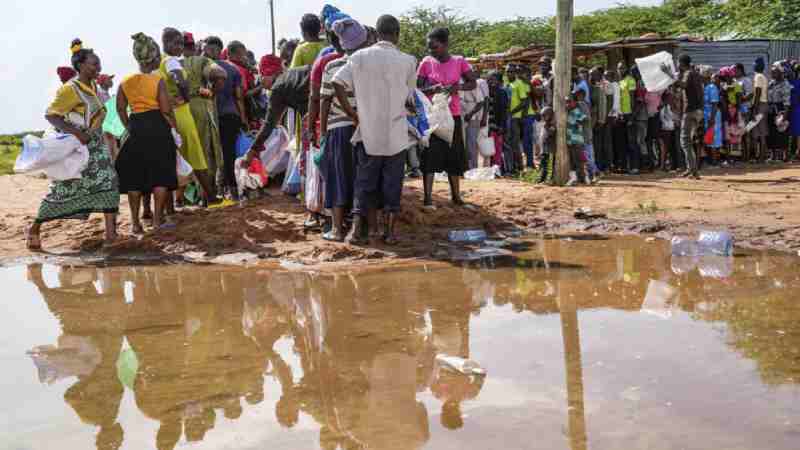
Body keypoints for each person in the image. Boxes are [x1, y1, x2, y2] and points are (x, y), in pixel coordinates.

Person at [331, 14, 417, 244]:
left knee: (364, 183)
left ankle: (357, 232)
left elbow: (337, 83)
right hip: (396, 133)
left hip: (368, 132)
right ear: (397, 34)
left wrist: (352, 113)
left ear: (377, 34)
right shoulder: (408, 61)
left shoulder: (359, 57)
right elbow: (410, 98)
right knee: (392, 184)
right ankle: (389, 233)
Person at [28, 43, 120, 250]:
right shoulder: (70, 89)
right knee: (63, 191)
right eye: (93, 64)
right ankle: (35, 227)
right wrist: (77, 133)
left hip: (97, 148)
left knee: (110, 183)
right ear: (80, 65)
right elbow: (51, 115)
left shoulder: (94, 87)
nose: (98, 67)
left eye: (99, 63)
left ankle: (111, 234)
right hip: (81, 150)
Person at [115, 33, 179, 234]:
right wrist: (175, 128)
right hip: (157, 127)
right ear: (153, 57)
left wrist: (129, 126)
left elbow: (119, 108)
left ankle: (135, 224)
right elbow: (166, 109)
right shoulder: (157, 80)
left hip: (135, 127)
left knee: (134, 178)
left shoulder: (125, 81)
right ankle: (158, 221)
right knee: (160, 175)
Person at [318, 18, 368, 242]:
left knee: (337, 176)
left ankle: (337, 229)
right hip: (365, 126)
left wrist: (322, 131)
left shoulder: (332, 66)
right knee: (362, 176)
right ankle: (362, 227)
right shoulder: (369, 63)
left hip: (337, 128)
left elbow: (324, 101)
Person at [417, 27, 477, 209]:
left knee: (454, 155)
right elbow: (417, 89)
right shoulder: (426, 63)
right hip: (433, 117)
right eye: (429, 48)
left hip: (453, 116)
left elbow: (472, 83)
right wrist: (431, 90)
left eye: (435, 47)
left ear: (445, 45)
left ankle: (456, 196)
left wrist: (456, 88)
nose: (431, 51)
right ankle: (427, 197)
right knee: (429, 156)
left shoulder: (459, 61)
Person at [159, 28, 217, 205]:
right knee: (197, 157)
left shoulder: (159, 63)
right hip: (182, 114)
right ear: (167, 43)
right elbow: (179, 79)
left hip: (168, 115)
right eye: (177, 43)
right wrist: (185, 96)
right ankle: (212, 198)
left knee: (172, 159)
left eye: (182, 44)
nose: (180, 47)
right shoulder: (171, 61)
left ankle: (172, 206)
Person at [204, 36, 247, 200]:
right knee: (229, 153)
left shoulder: (205, 68)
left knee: (212, 155)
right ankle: (233, 190)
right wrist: (243, 119)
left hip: (213, 116)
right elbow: (239, 97)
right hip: (231, 115)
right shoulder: (233, 69)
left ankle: (213, 192)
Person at [182, 32, 225, 199]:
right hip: (200, 106)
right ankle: (206, 195)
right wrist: (210, 93)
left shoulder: (170, 63)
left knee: (183, 152)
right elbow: (220, 75)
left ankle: (182, 198)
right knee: (205, 151)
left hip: (178, 110)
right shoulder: (202, 61)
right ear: (196, 47)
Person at [662, 54, 704, 179]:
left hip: (690, 111)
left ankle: (693, 170)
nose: (677, 65)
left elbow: (683, 85)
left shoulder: (688, 73)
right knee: (689, 141)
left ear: (681, 63)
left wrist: (669, 73)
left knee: (685, 141)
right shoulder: (695, 73)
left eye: (678, 63)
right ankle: (691, 169)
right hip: (698, 111)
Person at [462, 75, 489, 170]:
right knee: (465, 144)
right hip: (463, 117)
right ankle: (467, 166)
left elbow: (481, 102)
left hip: (473, 118)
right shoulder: (461, 85)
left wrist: (470, 114)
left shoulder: (474, 86)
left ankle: (472, 167)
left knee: (471, 144)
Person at [767, 64, 792, 161]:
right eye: (772, 72)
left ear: (781, 73)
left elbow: (787, 102)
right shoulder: (771, 83)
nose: (772, 74)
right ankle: (773, 155)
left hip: (781, 109)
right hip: (771, 109)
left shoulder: (785, 84)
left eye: (774, 72)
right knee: (772, 133)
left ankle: (785, 155)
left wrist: (784, 116)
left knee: (783, 132)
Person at [618, 63, 639, 173]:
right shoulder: (620, 81)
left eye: (622, 67)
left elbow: (632, 98)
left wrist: (632, 116)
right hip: (621, 114)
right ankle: (624, 166)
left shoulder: (630, 80)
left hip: (629, 114)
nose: (620, 70)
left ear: (626, 69)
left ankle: (635, 166)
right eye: (619, 68)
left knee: (632, 142)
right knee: (622, 142)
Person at [487, 71, 509, 170]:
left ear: (499, 81)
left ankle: (497, 168)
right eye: (489, 79)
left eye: (493, 79)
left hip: (497, 124)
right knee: (490, 147)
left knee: (497, 148)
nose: (491, 81)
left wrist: (502, 126)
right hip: (488, 124)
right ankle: (492, 167)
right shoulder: (487, 92)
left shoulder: (501, 92)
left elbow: (504, 111)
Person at [751, 57, 770, 163]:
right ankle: (761, 156)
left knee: (760, 132)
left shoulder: (758, 76)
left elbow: (758, 92)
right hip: (763, 104)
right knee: (760, 131)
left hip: (760, 105)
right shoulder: (763, 76)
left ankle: (762, 156)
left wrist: (755, 108)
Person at [566, 95, 587, 186]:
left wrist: (578, 123)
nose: (567, 104)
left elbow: (583, 119)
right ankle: (575, 179)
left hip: (577, 141)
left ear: (575, 102)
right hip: (571, 141)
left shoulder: (576, 111)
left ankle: (581, 179)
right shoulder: (570, 112)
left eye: (569, 101)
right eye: (566, 102)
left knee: (578, 161)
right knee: (573, 161)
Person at [703, 70, 723, 164]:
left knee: (714, 137)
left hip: (713, 115)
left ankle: (715, 161)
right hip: (707, 114)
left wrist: (712, 118)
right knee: (709, 137)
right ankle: (711, 160)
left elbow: (715, 104)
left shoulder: (712, 87)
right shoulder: (705, 87)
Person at [658, 90, 678, 171]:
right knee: (664, 148)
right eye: (670, 98)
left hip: (669, 129)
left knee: (667, 148)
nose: (671, 99)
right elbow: (670, 117)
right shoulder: (664, 108)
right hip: (666, 130)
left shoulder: (667, 107)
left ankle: (665, 165)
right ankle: (663, 166)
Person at [537, 106, 556, 184]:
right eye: (543, 116)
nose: (544, 118)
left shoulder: (552, 125)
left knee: (549, 165)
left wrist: (548, 128)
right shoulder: (545, 124)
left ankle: (550, 178)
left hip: (549, 149)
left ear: (550, 115)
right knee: (543, 165)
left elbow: (551, 133)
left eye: (545, 115)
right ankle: (542, 179)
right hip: (544, 149)